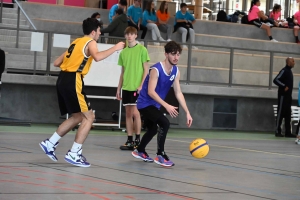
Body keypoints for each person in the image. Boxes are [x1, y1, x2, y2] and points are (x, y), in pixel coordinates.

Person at [39, 18, 124, 167]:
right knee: (89, 117)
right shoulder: (91, 42)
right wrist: (115, 47)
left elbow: (57, 63)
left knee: (78, 116)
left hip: (63, 79)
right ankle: (74, 153)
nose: (99, 34)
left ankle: (50, 143)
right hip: (73, 79)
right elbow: (97, 57)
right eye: (98, 31)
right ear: (93, 32)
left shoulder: (75, 42)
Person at [132, 41, 193, 167]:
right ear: (166, 54)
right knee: (164, 123)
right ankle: (160, 155)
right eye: (173, 54)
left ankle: (140, 150)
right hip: (145, 103)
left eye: (178, 54)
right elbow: (150, 91)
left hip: (155, 105)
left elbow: (178, 92)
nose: (176, 57)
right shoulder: (156, 69)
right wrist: (167, 105)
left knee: (153, 129)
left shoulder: (176, 71)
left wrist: (187, 112)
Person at [116, 26, 150, 150]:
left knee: (136, 113)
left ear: (135, 35)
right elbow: (122, 72)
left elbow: (146, 69)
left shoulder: (142, 49)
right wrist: (118, 88)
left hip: (137, 87)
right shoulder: (123, 52)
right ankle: (129, 140)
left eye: (132, 34)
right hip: (126, 87)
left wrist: (141, 84)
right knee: (128, 114)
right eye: (127, 34)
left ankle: (137, 139)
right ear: (125, 36)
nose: (129, 36)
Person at [273, 57, 295, 138]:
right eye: (293, 61)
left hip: (288, 96)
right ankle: (277, 130)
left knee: (288, 114)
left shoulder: (289, 71)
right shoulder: (284, 70)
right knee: (281, 113)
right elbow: (276, 80)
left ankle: (288, 132)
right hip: (283, 96)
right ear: (288, 62)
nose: (294, 62)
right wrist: (284, 86)